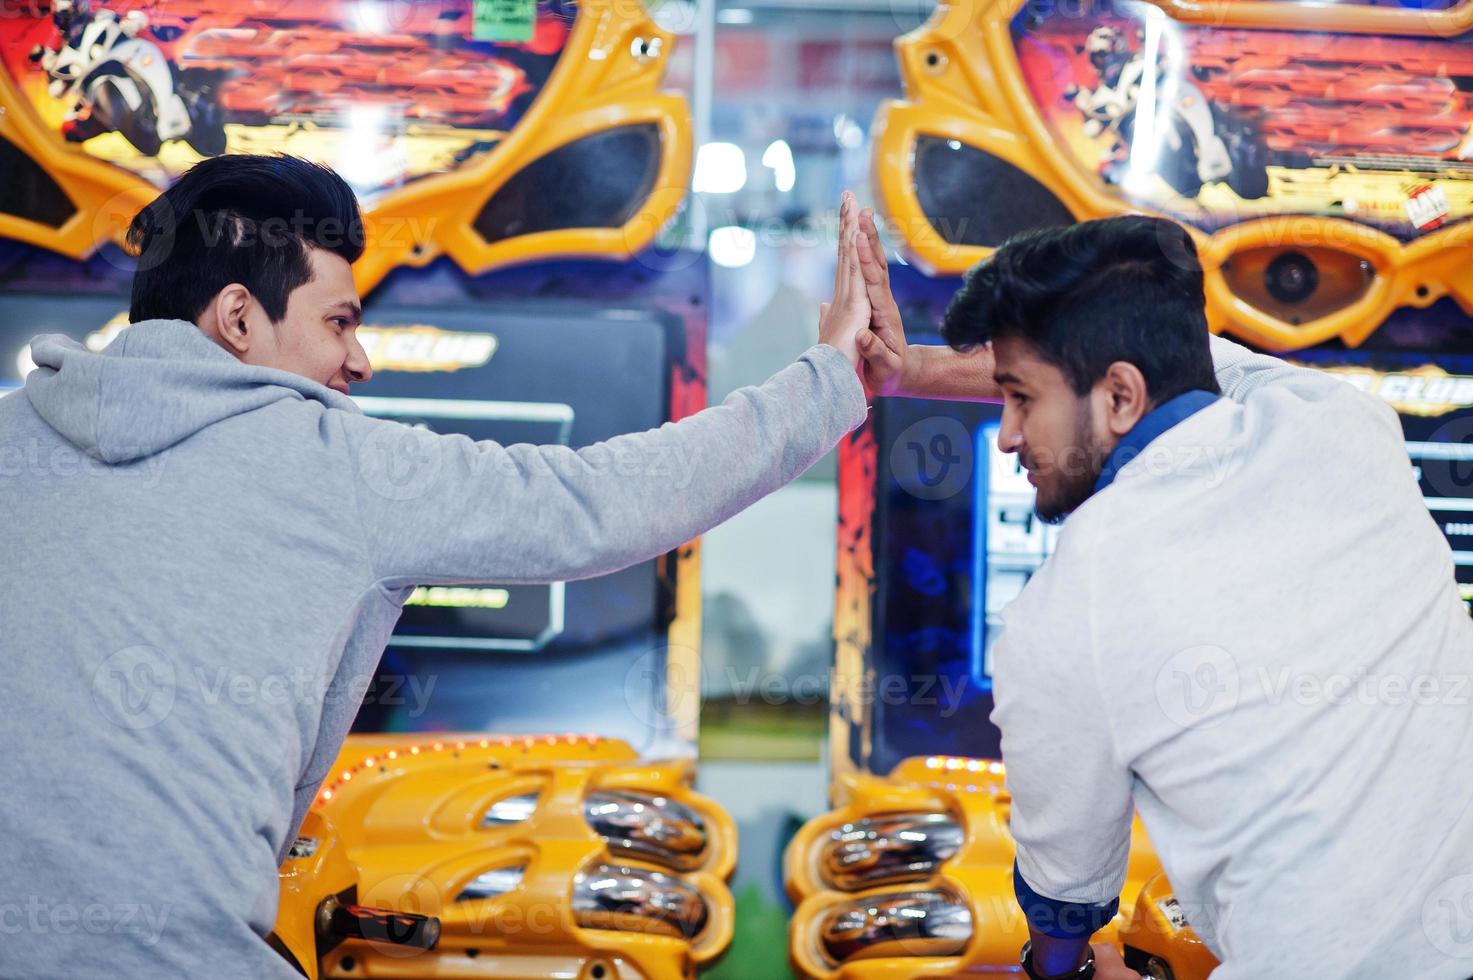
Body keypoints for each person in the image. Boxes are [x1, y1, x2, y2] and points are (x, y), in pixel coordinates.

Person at [0, 154, 876, 978]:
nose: (361, 359)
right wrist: (831, 374)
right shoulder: (332, 461)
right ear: (237, 318)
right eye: (338, 322)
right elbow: (601, 503)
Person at [854, 209, 1473, 979]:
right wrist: (910, 370)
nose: (1007, 434)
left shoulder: (1071, 602)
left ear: (1118, 397)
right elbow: (1179, 350)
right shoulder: (1341, 422)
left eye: (1019, 399)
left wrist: (1063, 969)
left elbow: (1065, 893)